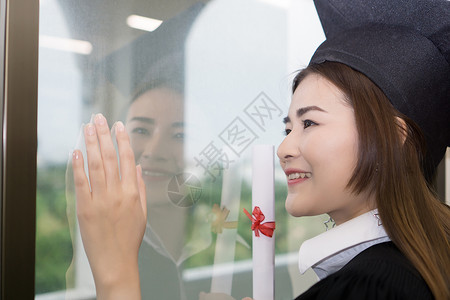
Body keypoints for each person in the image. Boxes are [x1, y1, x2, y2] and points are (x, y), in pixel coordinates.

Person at [71, 1, 450, 300]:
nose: (284, 147)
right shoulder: (415, 262)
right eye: (287, 128)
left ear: (394, 136)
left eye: (309, 123)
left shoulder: (377, 285)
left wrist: (116, 276)